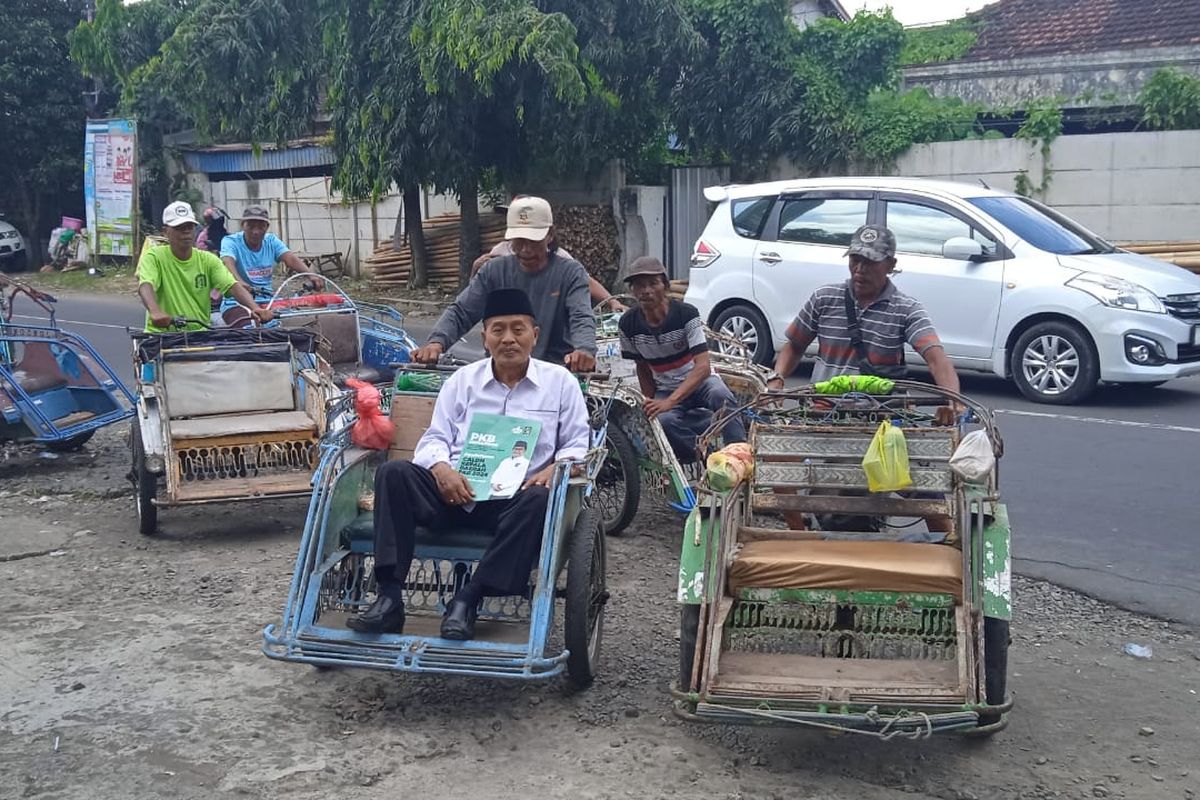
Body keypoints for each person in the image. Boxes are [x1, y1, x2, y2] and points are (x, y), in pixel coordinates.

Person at [349, 288, 591, 640]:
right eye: (498, 330)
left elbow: (576, 446)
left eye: (518, 329)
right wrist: (442, 470)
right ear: (485, 338)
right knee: (393, 474)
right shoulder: (463, 381)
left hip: (515, 501)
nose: (509, 339)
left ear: (534, 335)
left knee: (541, 499)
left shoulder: (561, 384)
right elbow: (434, 439)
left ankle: (468, 598)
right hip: (455, 493)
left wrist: (557, 467)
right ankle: (388, 598)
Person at [765, 223, 960, 532]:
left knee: (927, 489)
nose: (859, 269)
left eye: (869, 261)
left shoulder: (905, 309)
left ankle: (953, 553)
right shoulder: (824, 298)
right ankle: (798, 535)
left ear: (891, 265)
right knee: (775, 461)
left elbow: (936, 358)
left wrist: (952, 400)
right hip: (824, 413)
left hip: (884, 419)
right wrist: (776, 378)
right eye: (855, 259)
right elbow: (794, 345)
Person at [413, 197, 597, 372]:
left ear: (550, 235)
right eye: (518, 241)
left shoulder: (570, 272)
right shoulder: (493, 271)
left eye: (533, 241)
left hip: (554, 371)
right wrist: (436, 343)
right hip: (498, 374)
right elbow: (462, 311)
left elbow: (581, 317)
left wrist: (584, 350)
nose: (525, 249)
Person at [618, 257, 746, 460]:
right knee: (663, 422)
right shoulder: (628, 324)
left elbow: (703, 367)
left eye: (653, 283)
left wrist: (670, 401)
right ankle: (711, 459)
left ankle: (739, 454)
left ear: (665, 286)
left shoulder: (686, 314)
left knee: (721, 395)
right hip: (665, 387)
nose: (646, 290)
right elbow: (641, 366)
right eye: (639, 285)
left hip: (700, 381)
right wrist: (650, 401)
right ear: (633, 291)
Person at [137, 201, 272, 332]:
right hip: (161, 335)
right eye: (179, 228)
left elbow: (232, 285)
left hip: (199, 334)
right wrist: (155, 311)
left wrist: (255, 308)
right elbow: (146, 285)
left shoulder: (208, 260)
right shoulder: (154, 257)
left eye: (189, 227)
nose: (186, 232)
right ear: (166, 231)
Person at [219, 205, 321, 324]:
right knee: (248, 328)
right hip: (236, 302)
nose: (256, 231)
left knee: (297, 324)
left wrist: (311, 275)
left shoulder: (271, 241)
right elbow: (227, 262)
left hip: (268, 300)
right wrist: (238, 282)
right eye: (251, 226)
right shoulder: (231, 241)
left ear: (267, 227)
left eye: (261, 226)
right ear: (243, 225)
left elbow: (290, 258)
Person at [472, 236, 626, 313]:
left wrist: (612, 302)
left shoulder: (560, 259)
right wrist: (475, 269)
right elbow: (473, 296)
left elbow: (584, 281)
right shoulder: (499, 251)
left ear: (549, 235)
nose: (526, 250)